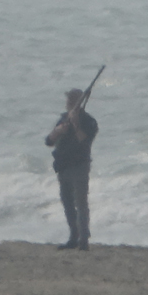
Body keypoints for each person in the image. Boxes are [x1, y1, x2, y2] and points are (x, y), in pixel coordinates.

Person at [45, 86, 99, 249]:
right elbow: (49, 141)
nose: (68, 103)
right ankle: (73, 236)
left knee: (81, 203)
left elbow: (84, 140)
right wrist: (58, 130)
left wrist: (75, 124)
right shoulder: (63, 119)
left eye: (72, 100)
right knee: (67, 203)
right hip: (63, 165)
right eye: (68, 100)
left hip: (79, 166)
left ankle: (84, 239)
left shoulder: (89, 121)